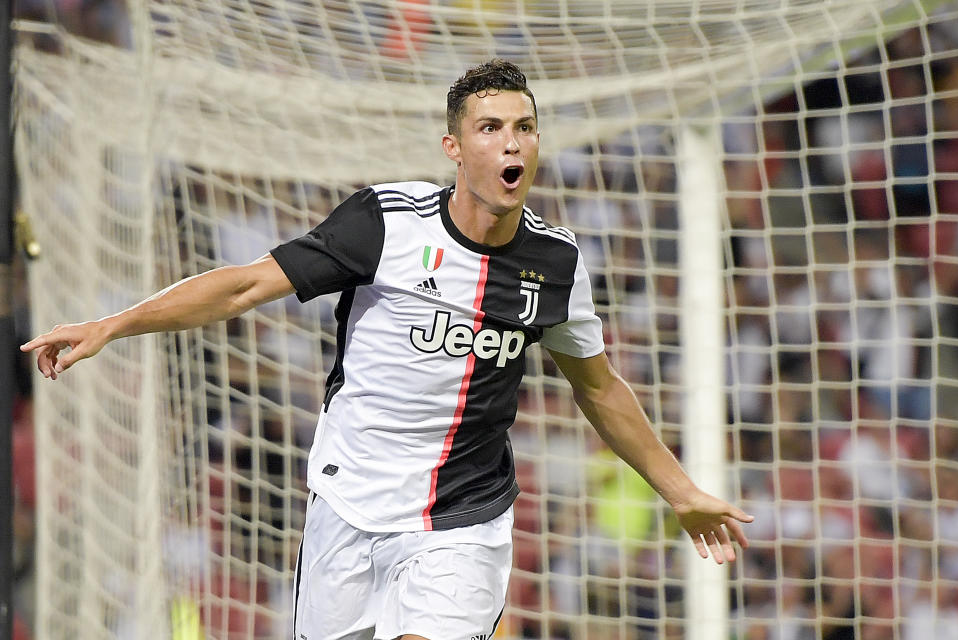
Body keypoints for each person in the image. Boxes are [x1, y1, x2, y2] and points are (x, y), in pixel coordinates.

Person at [21, 59, 753, 640]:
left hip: (463, 514)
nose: (511, 142)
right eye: (491, 127)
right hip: (349, 500)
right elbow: (245, 287)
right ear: (455, 147)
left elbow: (599, 388)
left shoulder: (554, 264)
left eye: (524, 127)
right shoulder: (386, 224)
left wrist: (681, 492)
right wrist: (113, 324)